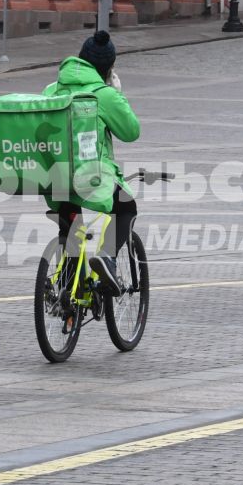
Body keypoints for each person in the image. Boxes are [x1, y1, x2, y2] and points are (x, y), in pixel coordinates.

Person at [44, 30, 141, 295]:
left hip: (52, 177)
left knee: (73, 229)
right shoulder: (104, 95)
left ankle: (65, 291)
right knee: (126, 207)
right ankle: (107, 257)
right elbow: (131, 132)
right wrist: (116, 95)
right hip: (90, 177)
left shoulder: (52, 89)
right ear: (109, 68)